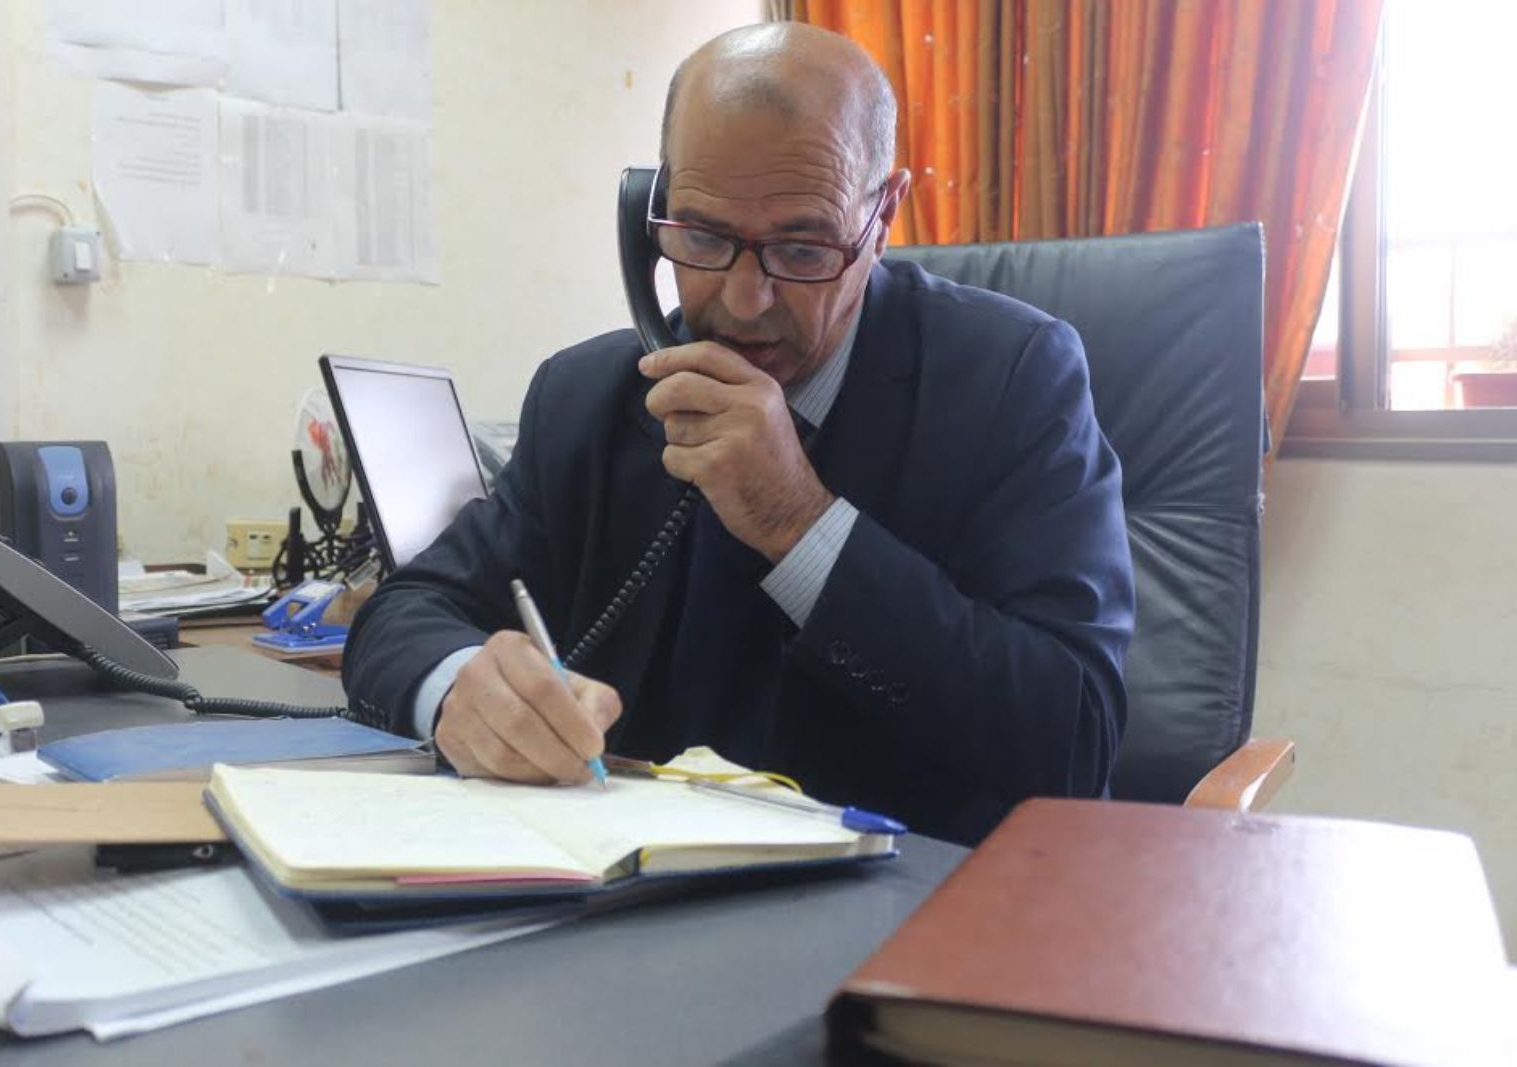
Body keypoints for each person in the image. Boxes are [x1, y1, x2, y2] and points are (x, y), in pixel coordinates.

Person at [342, 23, 1134, 844]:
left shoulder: (1013, 380)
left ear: (883, 216)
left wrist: (801, 524)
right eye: (704, 237)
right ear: (647, 213)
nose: (743, 300)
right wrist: (460, 688)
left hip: (902, 896)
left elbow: (1073, 739)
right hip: (622, 893)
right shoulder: (587, 396)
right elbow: (407, 612)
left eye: (803, 248)